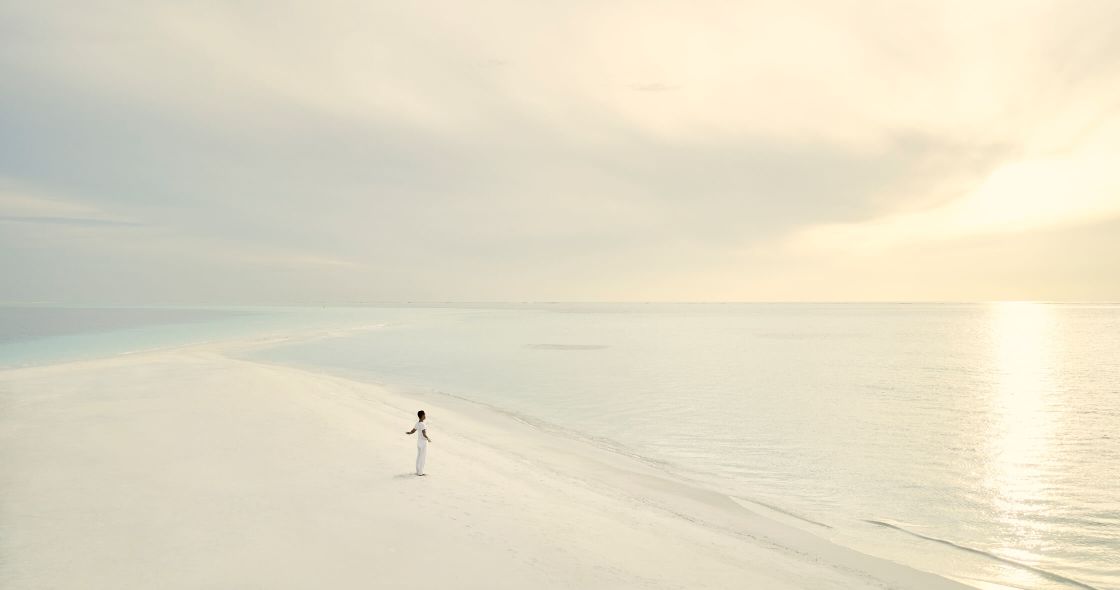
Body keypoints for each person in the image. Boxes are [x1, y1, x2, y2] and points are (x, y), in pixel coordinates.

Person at [404, 410, 431, 476]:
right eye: (424, 415)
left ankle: (418, 471)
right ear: (422, 416)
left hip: (419, 442)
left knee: (419, 456)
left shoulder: (417, 423)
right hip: (423, 442)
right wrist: (428, 438)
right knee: (422, 457)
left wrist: (409, 433)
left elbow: (413, 431)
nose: (425, 416)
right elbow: (424, 434)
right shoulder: (423, 424)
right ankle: (420, 473)